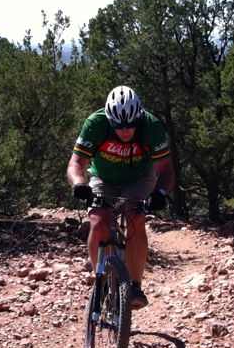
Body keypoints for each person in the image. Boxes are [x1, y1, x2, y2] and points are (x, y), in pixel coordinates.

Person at [66, 85, 174, 309]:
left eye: (130, 125)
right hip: (103, 177)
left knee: (135, 216)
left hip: (139, 177)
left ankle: (134, 285)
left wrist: (160, 193)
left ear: (139, 117)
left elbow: (166, 169)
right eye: (118, 125)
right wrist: (79, 184)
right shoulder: (96, 124)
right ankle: (100, 280)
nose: (124, 130)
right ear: (109, 119)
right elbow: (76, 163)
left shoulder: (151, 126)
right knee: (97, 221)